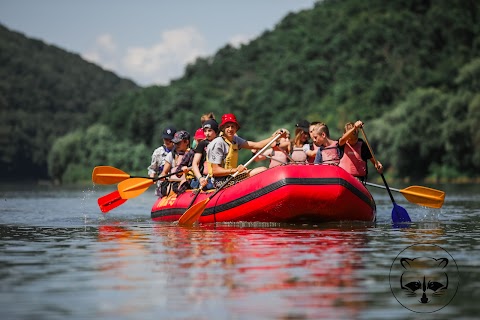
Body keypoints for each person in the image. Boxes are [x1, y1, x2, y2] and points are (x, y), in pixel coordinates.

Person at [207, 113, 286, 188]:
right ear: (223, 128)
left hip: (232, 175)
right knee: (262, 170)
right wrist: (235, 170)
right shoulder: (218, 143)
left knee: (263, 170)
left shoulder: (235, 140)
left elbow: (257, 145)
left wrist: (274, 138)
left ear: (236, 128)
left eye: (232, 126)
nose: (230, 129)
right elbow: (215, 170)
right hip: (221, 181)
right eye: (227, 126)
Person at [159, 130, 191, 196]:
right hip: (174, 182)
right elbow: (164, 172)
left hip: (188, 182)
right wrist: (163, 176)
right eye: (175, 143)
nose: (176, 145)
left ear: (186, 142)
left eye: (178, 143)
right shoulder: (171, 155)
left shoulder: (193, 154)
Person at [190, 119, 219, 189]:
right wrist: (200, 178)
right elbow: (195, 163)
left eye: (209, 131)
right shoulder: (202, 144)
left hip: (219, 178)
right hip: (206, 179)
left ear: (216, 131)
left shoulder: (221, 143)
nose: (207, 133)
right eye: (205, 131)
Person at [147, 125, 176, 196]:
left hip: (175, 183)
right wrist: (152, 177)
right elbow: (153, 169)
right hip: (162, 185)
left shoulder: (179, 151)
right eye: (165, 139)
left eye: (170, 139)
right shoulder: (158, 152)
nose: (167, 141)